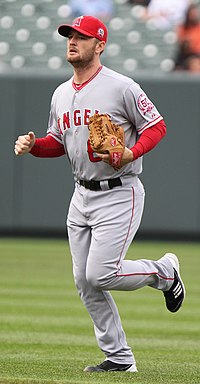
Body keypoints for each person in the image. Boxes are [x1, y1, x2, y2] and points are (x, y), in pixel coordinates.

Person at [14, 15, 185, 373]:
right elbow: (57, 143)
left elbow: (157, 126)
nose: (72, 41)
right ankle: (120, 359)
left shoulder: (121, 86)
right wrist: (34, 146)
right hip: (81, 195)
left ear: (100, 45)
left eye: (82, 37)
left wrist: (131, 152)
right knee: (83, 281)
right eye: (69, 36)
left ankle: (164, 273)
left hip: (120, 192)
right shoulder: (61, 93)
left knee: (100, 274)